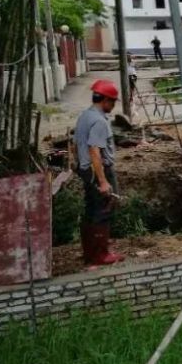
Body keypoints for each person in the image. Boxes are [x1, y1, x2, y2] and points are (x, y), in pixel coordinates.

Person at [74, 79, 124, 266]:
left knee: (91, 210)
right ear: (104, 100)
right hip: (98, 170)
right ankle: (100, 254)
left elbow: (75, 144)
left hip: (86, 170)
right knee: (103, 210)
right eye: (112, 101)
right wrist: (103, 181)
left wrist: (79, 165)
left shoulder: (84, 116)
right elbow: (94, 150)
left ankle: (90, 252)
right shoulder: (99, 122)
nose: (112, 105)